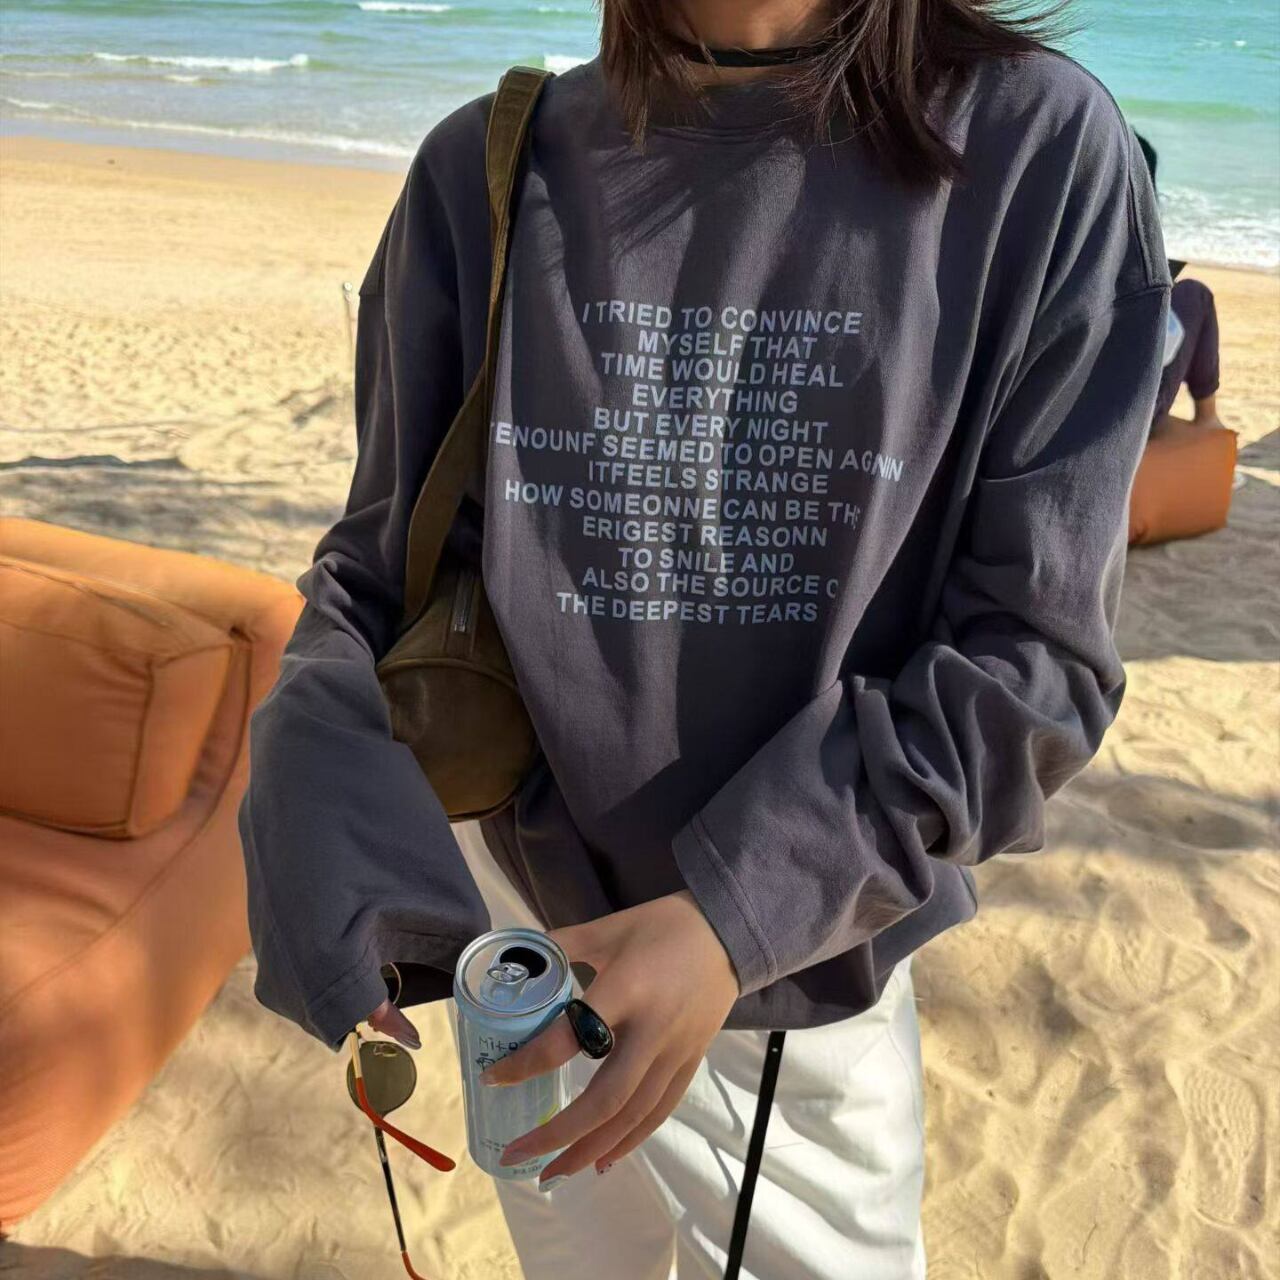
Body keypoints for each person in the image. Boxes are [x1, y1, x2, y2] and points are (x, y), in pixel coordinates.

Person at [237, 1, 1170, 1275]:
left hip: (793, 974)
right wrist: (311, 792)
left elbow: (1035, 660)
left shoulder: (1035, 148)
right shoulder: (486, 164)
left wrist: (730, 920)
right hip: (523, 937)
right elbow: (377, 572)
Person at [1134, 131, 1226, 439]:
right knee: (1195, 295)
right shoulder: (1133, 251)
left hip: (1036, 418)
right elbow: (1162, 346)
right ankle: (1208, 419)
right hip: (1123, 423)